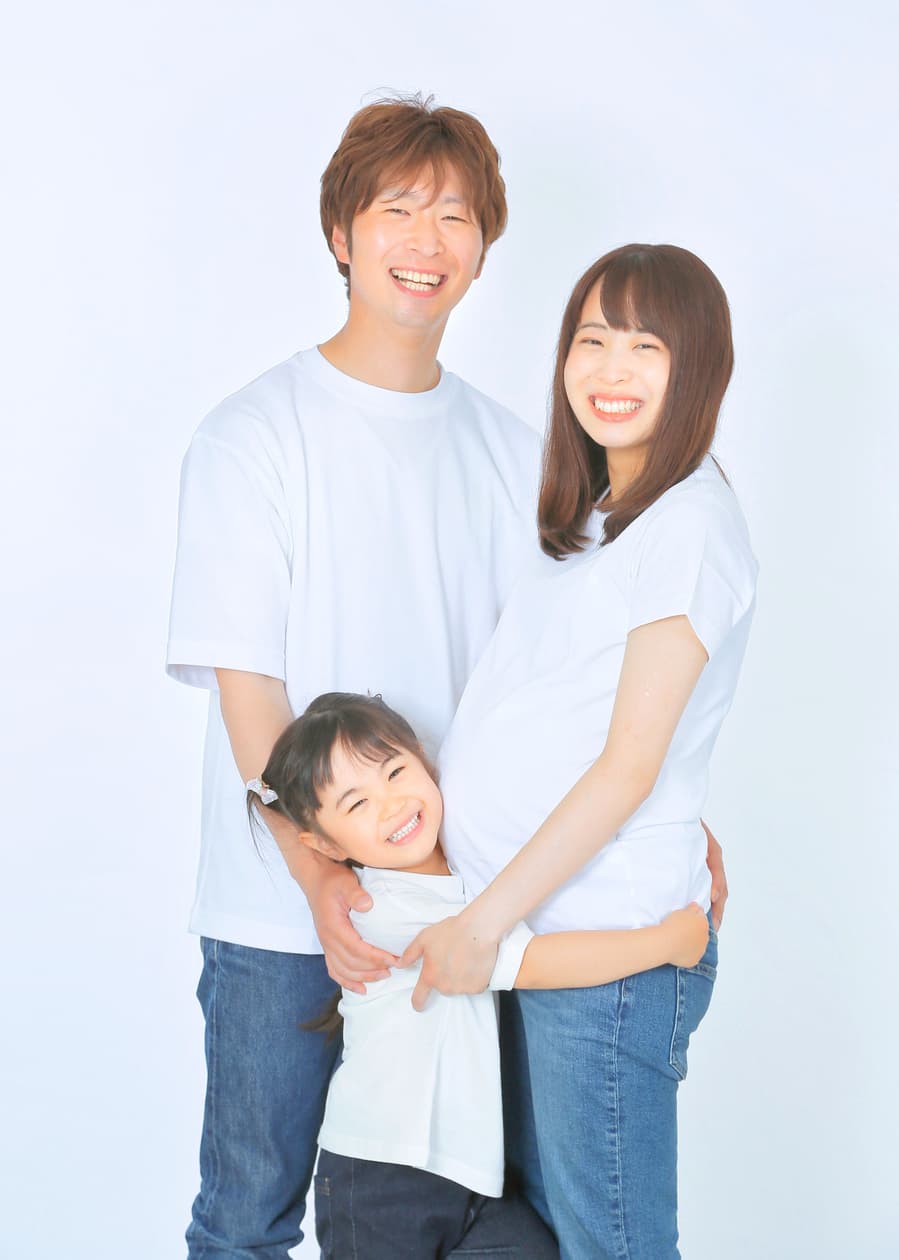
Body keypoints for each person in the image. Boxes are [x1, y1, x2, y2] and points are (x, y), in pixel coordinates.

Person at [167, 89, 728, 1256]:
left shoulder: (520, 455)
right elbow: (250, 691)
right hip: (285, 916)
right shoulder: (251, 436)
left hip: (466, 909)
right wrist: (320, 877)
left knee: (480, 1219)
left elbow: (565, 677)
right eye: (396, 209)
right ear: (340, 233)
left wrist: (667, 821)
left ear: (480, 250)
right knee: (248, 1217)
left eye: (455, 216)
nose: (425, 240)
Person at [400, 244, 758, 1259]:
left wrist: (480, 925)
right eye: (592, 340)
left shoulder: (687, 524)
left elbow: (627, 767)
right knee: (547, 1239)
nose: (610, 369)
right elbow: (579, 714)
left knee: (611, 1246)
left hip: (599, 953)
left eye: (646, 347)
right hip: (538, 939)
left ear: (698, 368)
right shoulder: (600, 516)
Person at [249, 690, 709, 1260]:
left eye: (395, 772)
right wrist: (666, 943)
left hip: (470, 1176)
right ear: (324, 843)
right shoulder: (384, 910)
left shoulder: (470, 876)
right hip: (381, 1175)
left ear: (425, 759)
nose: (392, 804)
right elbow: (536, 964)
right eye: (358, 803)